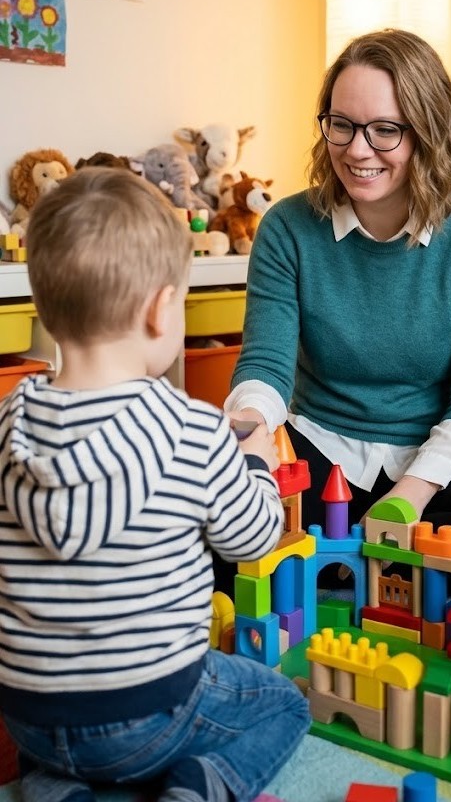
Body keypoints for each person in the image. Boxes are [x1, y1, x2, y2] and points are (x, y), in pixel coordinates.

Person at [0, 167, 310, 802]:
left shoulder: (9, 420)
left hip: (28, 712)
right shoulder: (189, 427)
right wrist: (250, 462)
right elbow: (253, 539)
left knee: (71, 745)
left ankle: (59, 787)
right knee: (283, 704)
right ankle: (201, 786)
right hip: (151, 711)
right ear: (160, 309)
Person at [225, 28, 451, 571]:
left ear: (426, 135)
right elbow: (266, 363)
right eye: (341, 125)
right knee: (232, 542)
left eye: (384, 130)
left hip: (438, 459)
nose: (357, 150)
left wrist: (410, 493)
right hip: (321, 445)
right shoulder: (287, 227)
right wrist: (247, 432)